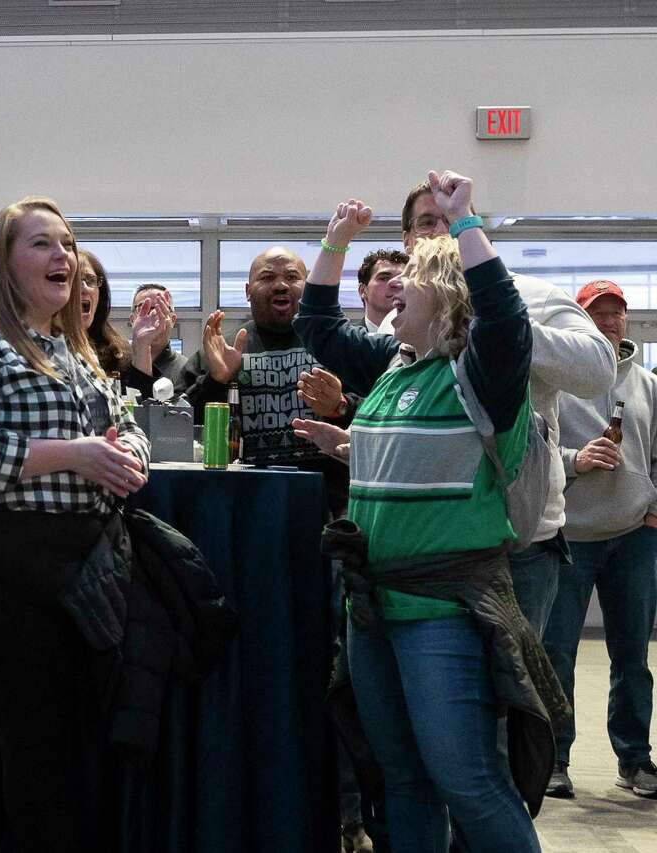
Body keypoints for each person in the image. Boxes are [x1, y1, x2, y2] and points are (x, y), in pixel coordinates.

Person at [294, 173, 564, 852]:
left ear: (446, 294)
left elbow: (504, 317)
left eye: (410, 276)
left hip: (442, 612)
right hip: (374, 610)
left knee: (469, 780)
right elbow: (318, 327)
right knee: (403, 780)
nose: (393, 285)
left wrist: (464, 220)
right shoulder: (395, 363)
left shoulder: (480, 374)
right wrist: (333, 240)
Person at [0, 196, 150, 852]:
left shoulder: (72, 348)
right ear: (3, 261)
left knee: (29, 734)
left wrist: (126, 458)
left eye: (68, 244)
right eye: (42, 244)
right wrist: (74, 455)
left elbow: (125, 423)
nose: (63, 257)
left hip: (68, 561)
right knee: (35, 738)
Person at [296, 181, 616, 636]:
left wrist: (492, 326)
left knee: (527, 694)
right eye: (428, 222)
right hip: (412, 544)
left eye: (454, 218)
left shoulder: (530, 296)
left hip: (513, 540)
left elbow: (600, 370)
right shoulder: (400, 320)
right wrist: (360, 446)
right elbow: (327, 334)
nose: (442, 230)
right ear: (407, 242)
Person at [543, 280, 657, 800]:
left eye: (617, 314)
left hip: (633, 535)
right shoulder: (556, 380)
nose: (610, 322)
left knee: (632, 656)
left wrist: (652, 508)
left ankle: (635, 758)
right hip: (570, 534)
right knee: (557, 654)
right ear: (582, 321)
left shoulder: (647, 384)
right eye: (599, 313)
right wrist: (576, 461)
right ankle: (553, 758)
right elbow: (537, 452)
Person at [178, 245, 353, 515]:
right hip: (240, 505)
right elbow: (179, 426)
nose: (281, 285)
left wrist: (341, 406)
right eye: (267, 277)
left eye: (293, 277)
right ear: (248, 291)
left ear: (308, 287)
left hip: (327, 507)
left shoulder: (337, 345)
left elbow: (378, 414)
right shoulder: (220, 352)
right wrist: (216, 380)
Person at [126, 283, 183, 397]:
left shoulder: (184, 369)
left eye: (161, 308)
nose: (153, 314)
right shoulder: (118, 363)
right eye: (144, 308)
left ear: (172, 320)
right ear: (132, 320)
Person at [78, 249, 130, 375]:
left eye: (90, 279)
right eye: (75, 281)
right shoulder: (51, 349)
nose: (84, 287)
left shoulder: (117, 351)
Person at [356, 248, 407, 331]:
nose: (396, 284)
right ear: (363, 290)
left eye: (403, 278)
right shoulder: (343, 341)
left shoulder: (427, 340)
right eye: (384, 278)